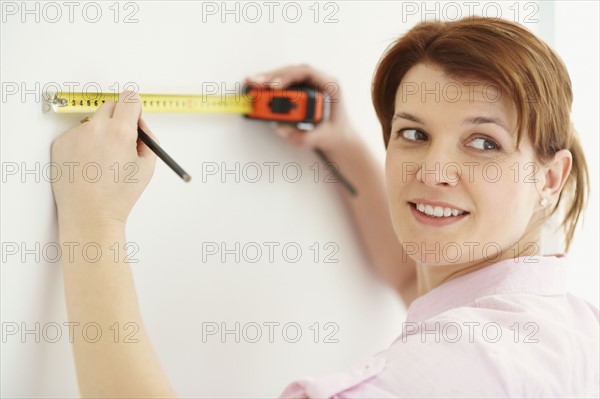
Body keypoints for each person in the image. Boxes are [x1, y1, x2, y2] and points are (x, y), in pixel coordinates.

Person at [51, 16, 599, 398]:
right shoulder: (560, 324)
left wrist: (94, 224)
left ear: (551, 177)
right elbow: (412, 273)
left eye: (484, 143)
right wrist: (339, 146)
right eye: (412, 133)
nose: (432, 171)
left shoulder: (446, 370)